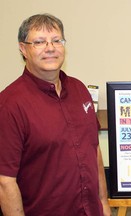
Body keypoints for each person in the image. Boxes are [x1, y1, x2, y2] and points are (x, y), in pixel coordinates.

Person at [0, 14, 111, 216]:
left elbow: (93, 150)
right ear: (23, 49)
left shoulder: (79, 90)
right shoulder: (10, 104)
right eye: (39, 42)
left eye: (57, 40)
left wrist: (103, 204)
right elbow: (5, 181)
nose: (50, 48)